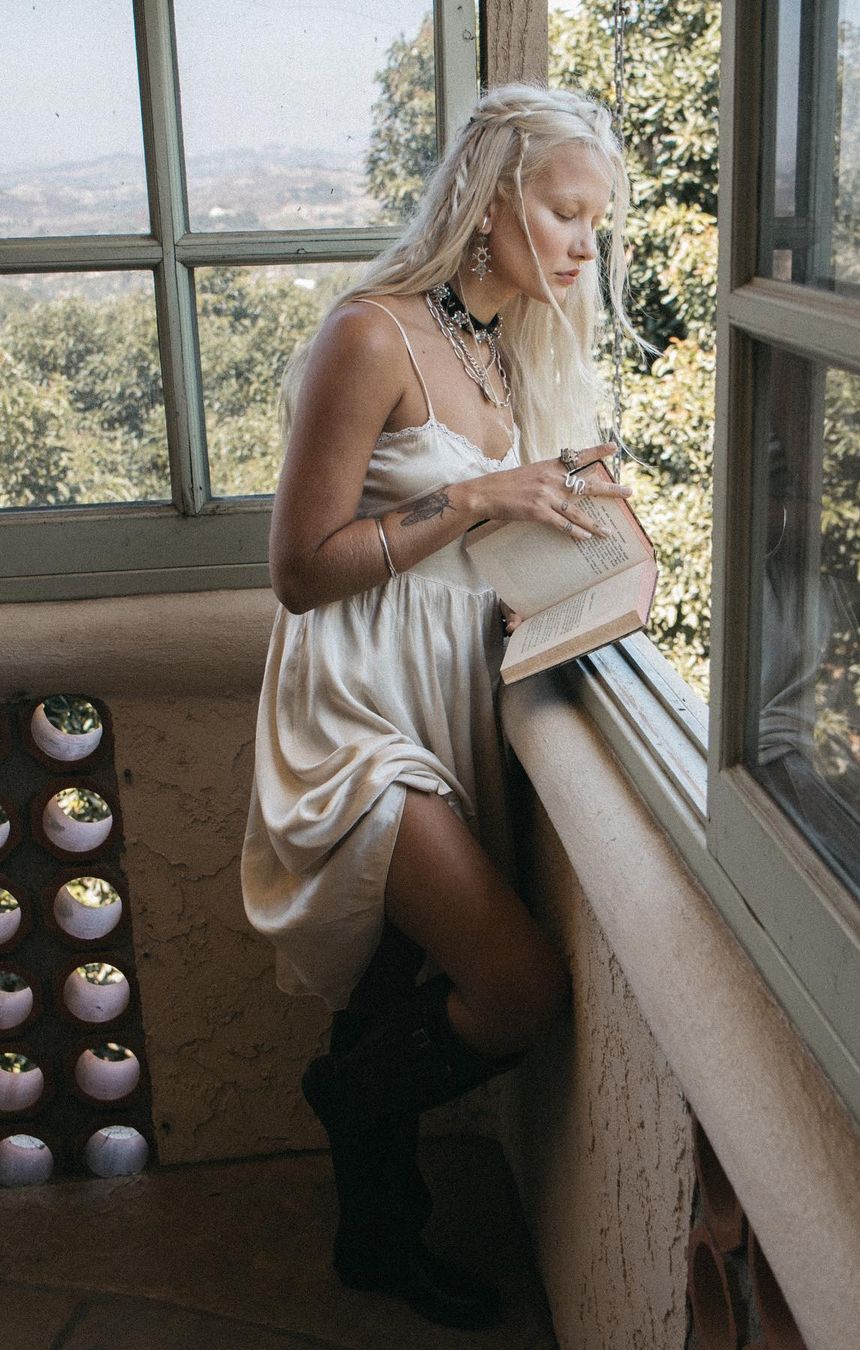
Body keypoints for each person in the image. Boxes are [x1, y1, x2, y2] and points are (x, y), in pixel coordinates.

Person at [240, 84, 642, 1330]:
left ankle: (379, 1240)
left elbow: (484, 542)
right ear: (493, 205)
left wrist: (574, 532)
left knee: (389, 978)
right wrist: (481, 501)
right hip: (356, 707)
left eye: (599, 224)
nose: (588, 245)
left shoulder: (503, 343)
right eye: (569, 215)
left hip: (450, 686)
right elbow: (302, 571)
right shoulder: (372, 334)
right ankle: (352, 1102)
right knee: (515, 984)